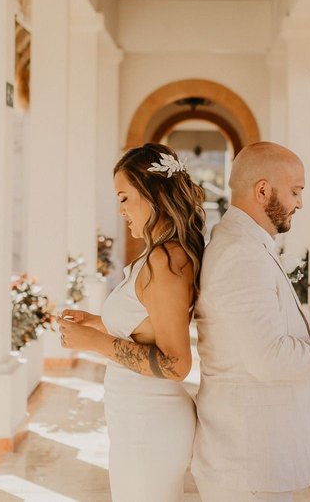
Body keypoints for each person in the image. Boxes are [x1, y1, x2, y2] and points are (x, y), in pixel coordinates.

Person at [192, 141, 310, 501]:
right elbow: (270, 359)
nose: (300, 203)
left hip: (253, 460)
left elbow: (258, 329)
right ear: (262, 190)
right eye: (295, 191)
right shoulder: (241, 254)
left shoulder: (245, 244)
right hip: (248, 464)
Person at [56, 143, 205, 502]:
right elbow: (146, 325)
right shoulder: (160, 254)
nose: (121, 210)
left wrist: (93, 343)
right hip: (138, 422)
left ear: (154, 194)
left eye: (124, 198)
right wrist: (97, 323)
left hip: (149, 425)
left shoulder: (166, 261)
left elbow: (176, 364)